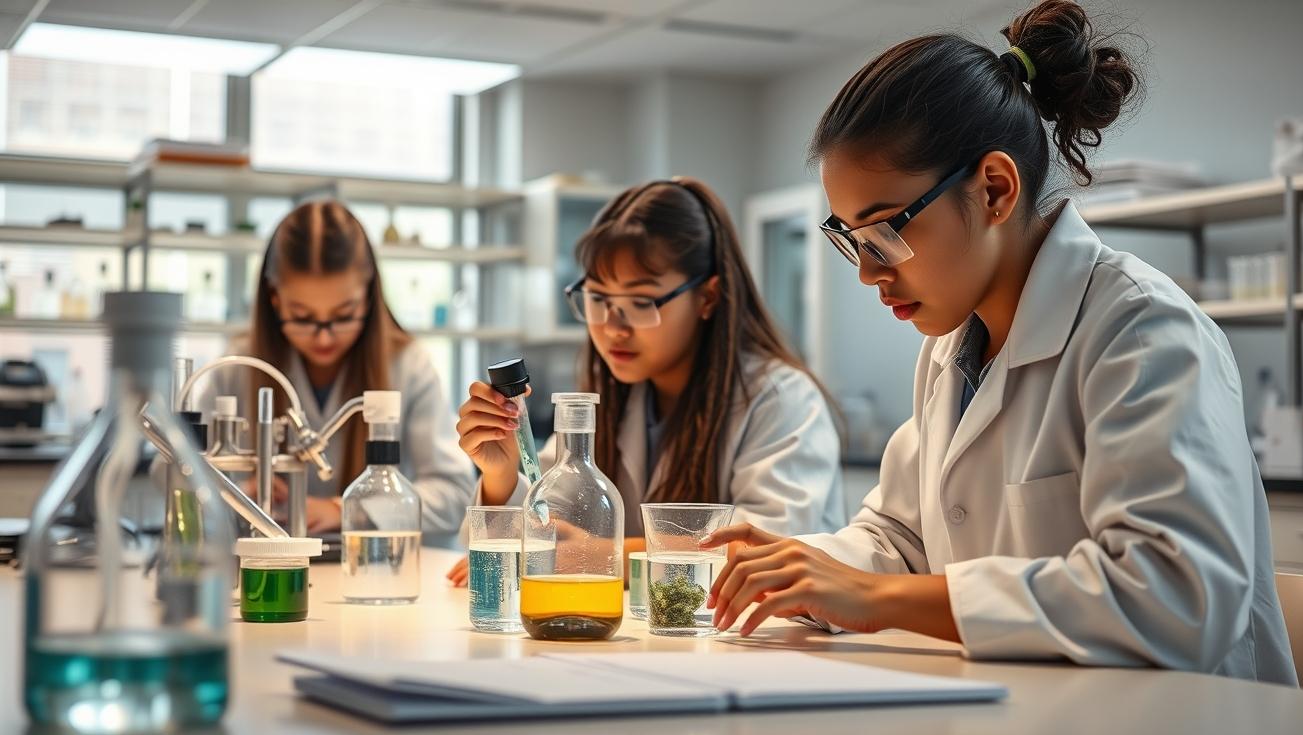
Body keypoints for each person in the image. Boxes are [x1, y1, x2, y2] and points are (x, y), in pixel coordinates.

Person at [702, 0, 1297, 684]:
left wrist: (874, 597)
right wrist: (802, 567)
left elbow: (1175, 598)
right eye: (851, 239)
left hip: (1189, 724)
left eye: (884, 231)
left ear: (993, 189)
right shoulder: (952, 349)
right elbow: (900, 537)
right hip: (1032, 711)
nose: (868, 271)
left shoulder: (1142, 331)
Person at [449, 177, 844, 585]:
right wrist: (501, 475)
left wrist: (600, 555)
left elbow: (768, 548)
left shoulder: (780, 399)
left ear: (707, 297)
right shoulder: (615, 396)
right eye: (598, 299)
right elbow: (544, 527)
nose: (613, 327)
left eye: (640, 302)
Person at [197, 200, 474, 543]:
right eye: (302, 317)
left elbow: (454, 494)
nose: (324, 337)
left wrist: (350, 510)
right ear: (274, 300)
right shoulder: (238, 366)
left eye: (343, 316)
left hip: (376, 569)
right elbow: (170, 469)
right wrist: (230, 491)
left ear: (368, 296)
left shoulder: (407, 365)